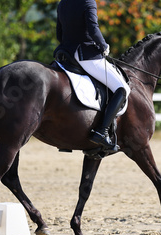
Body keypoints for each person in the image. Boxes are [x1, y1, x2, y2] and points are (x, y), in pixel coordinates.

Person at [54, 0, 131, 151]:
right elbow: (93, 28)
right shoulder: (88, 2)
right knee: (122, 89)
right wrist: (103, 45)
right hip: (85, 55)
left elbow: (59, 33)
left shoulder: (63, 3)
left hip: (65, 55)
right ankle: (101, 132)